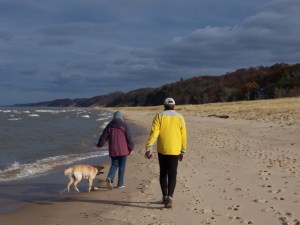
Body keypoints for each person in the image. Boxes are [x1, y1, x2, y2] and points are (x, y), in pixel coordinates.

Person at [145, 97, 187, 208]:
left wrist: (149, 147)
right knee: (173, 174)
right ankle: (170, 197)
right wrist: (183, 150)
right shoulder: (180, 117)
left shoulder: (159, 116)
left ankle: (164, 197)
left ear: (164, 106)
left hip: (162, 150)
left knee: (163, 173)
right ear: (174, 105)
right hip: (175, 150)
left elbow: (154, 133)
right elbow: (184, 135)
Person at [96, 111, 134, 189]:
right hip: (124, 150)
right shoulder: (124, 125)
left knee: (114, 164)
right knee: (122, 166)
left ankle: (110, 177)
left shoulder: (109, 125)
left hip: (113, 150)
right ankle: (120, 184)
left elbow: (104, 137)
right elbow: (129, 138)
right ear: (121, 117)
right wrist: (131, 148)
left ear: (114, 117)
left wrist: (99, 145)